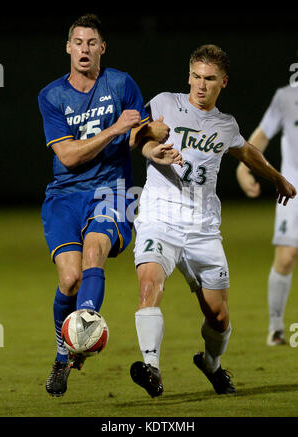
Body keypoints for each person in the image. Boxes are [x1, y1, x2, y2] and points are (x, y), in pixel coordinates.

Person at [129, 44, 296, 398]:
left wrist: (277, 177)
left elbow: (246, 151)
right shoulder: (163, 103)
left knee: (218, 317)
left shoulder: (225, 124)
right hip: (159, 217)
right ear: (188, 76)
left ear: (223, 82)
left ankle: (211, 364)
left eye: (209, 80)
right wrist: (149, 147)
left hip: (204, 228)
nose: (200, 86)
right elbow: (136, 135)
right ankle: (151, 366)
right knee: (149, 284)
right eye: (195, 77)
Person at [38, 13, 180, 397]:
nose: (84, 49)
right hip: (65, 196)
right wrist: (116, 128)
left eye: (91, 43)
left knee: (94, 252)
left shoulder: (121, 83)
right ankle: (62, 352)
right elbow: (67, 156)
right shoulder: (51, 96)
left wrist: (156, 150)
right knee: (68, 280)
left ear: (102, 48)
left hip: (112, 191)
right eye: (78, 43)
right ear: (68, 47)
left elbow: (141, 135)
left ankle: (85, 328)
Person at [236, 81, 298, 346]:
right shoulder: (286, 97)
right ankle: (276, 328)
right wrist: (243, 166)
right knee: (286, 257)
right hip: (294, 189)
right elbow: (262, 134)